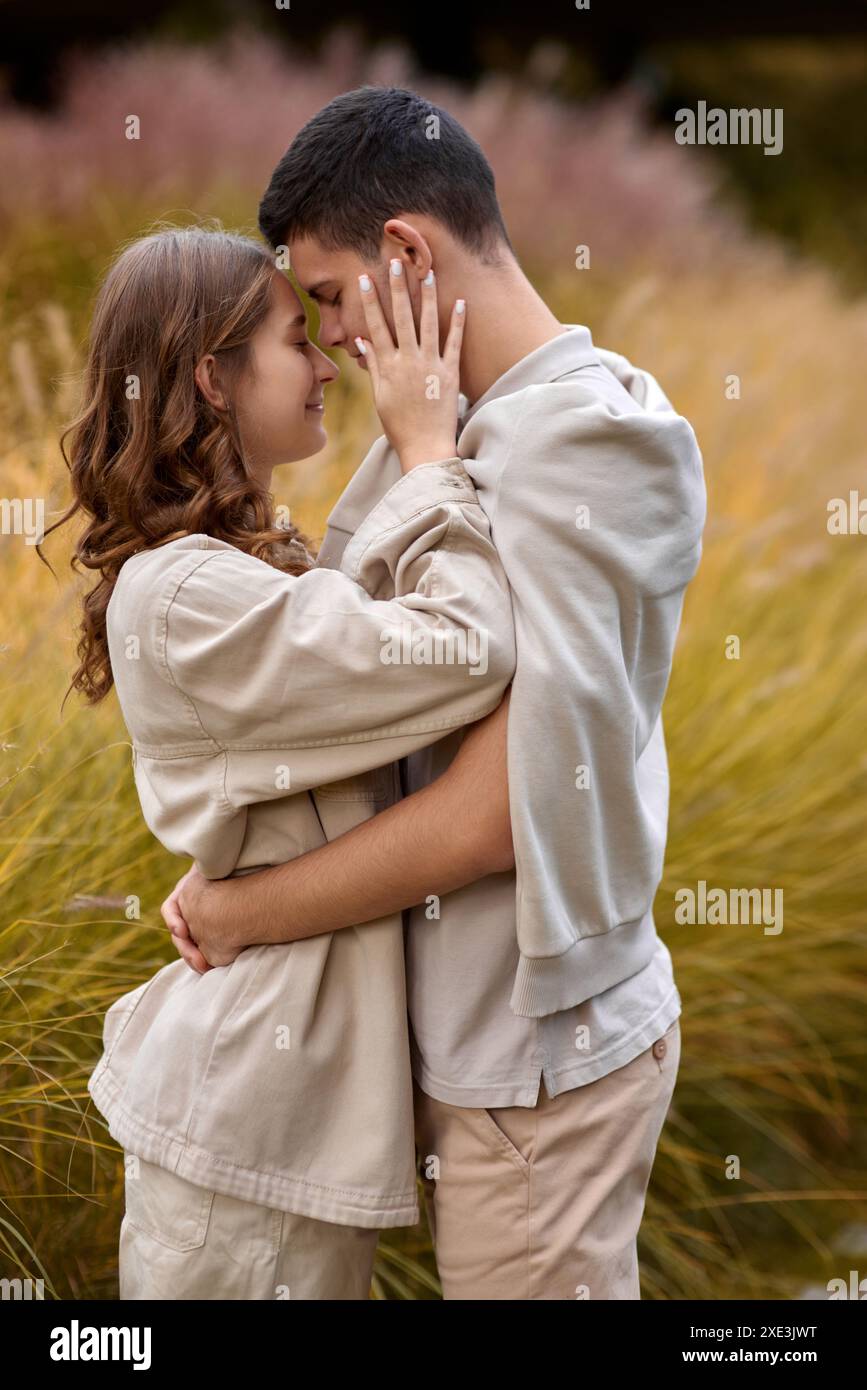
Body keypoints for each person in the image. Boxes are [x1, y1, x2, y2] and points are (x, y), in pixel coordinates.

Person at [165, 86, 708, 1300]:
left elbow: (497, 811)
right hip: (474, 1051)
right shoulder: (452, 418)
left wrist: (249, 911)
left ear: (407, 251)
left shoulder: (576, 443)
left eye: (330, 298)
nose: (330, 341)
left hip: (538, 1068)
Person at [45, 223, 516, 1299]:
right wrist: (432, 454)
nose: (323, 365)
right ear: (213, 377)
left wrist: (242, 888)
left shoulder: (243, 565)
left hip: (275, 1132)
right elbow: (464, 648)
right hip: (245, 1137)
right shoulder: (187, 595)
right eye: (295, 338)